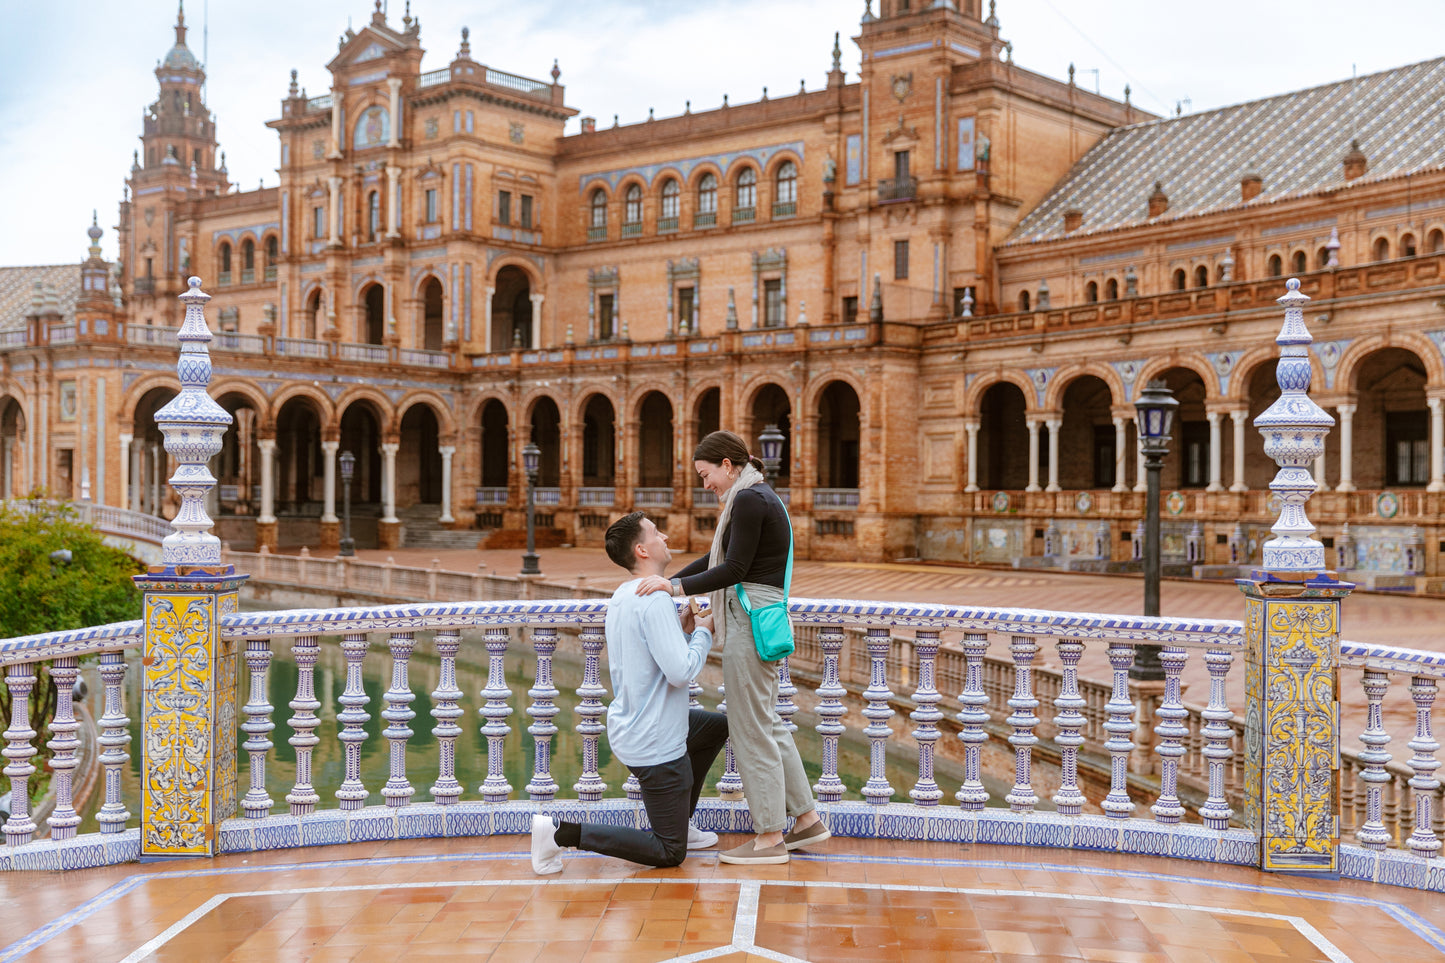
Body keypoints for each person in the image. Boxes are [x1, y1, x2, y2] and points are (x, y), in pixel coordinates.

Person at [636, 429, 830, 865]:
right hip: (760, 617)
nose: (706, 485)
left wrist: (673, 584)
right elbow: (718, 559)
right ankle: (807, 821)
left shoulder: (747, 500)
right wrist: (669, 587)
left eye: (707, 475)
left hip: (748, 620)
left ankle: (768, 838)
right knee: (768, 723)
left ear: (728, 465)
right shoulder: (759, 496)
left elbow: (734, 568)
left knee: (750, 730)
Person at [530, 511, 728, 874]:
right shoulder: (653, 601)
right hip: (654, 742)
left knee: (715, 726)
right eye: (656, 533)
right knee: (669, 852)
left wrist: (681, 631)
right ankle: (559, 833)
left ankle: (681, 820)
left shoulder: (624, 595)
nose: (665, 537)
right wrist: (703, 631)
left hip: (636, 725)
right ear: (641, 550)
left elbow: (650, 656)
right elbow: (681, 672)